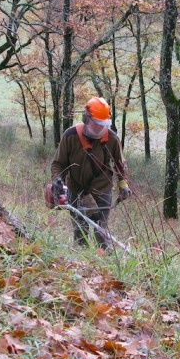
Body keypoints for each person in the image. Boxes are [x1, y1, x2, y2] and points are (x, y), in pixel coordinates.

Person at [50, 97, 132, 248]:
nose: (100, 127)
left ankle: (105, 258)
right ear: (86, 119)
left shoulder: (112, 139)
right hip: (77, 191)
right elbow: (58, 164)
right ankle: (83, 259)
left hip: (102, 191)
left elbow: (120, 164)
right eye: (97, 123)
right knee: (80, 231)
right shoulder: (71, 136)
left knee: (100, 230)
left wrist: (123, 184)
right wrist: (58, 180)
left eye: (103, 124)